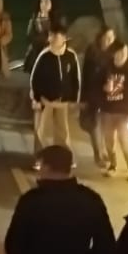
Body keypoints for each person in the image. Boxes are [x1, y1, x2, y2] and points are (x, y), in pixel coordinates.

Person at [28, 19, 80, 168]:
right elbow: (35, 79)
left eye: (56, 36)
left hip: (62, 101)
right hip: (45, 100)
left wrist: (74, 99)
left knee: (62, 132)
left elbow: (76, 79)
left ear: (64, 38)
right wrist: (36, 98)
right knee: (40, 131)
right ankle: (40, 158)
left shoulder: (70, 56)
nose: (53, 38)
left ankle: (65, 158)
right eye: (51, 36)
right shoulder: (44, 56)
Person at [97, 43, 128, 177]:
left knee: (124, 141)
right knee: (109, 142)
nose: (122, 56)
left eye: (124, 53)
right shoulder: (105, 70)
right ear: (114, 54)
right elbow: (96, 87)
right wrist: (104, 89)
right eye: (119, 53)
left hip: (124, 112)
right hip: (107, 111)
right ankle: (112, 165)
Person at [80, 26, 116, 169]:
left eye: (111, 38)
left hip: (108, 94)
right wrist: (83, 96)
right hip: (93, 93)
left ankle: (104, 151)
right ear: (100, 37)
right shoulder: (92, 51)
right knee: (94, 125)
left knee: (105, 124)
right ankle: (98, 155)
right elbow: (86, 74)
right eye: (106, 37)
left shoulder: (114, 52)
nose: (108, 40)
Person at [22, 0, 57, 71]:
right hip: (36, 52)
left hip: (51, 52)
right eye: (42, 2)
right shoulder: (34, 19)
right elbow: (29, 36)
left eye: (46, 2)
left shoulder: (55, 19)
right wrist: (43, 39)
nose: (43, 4)